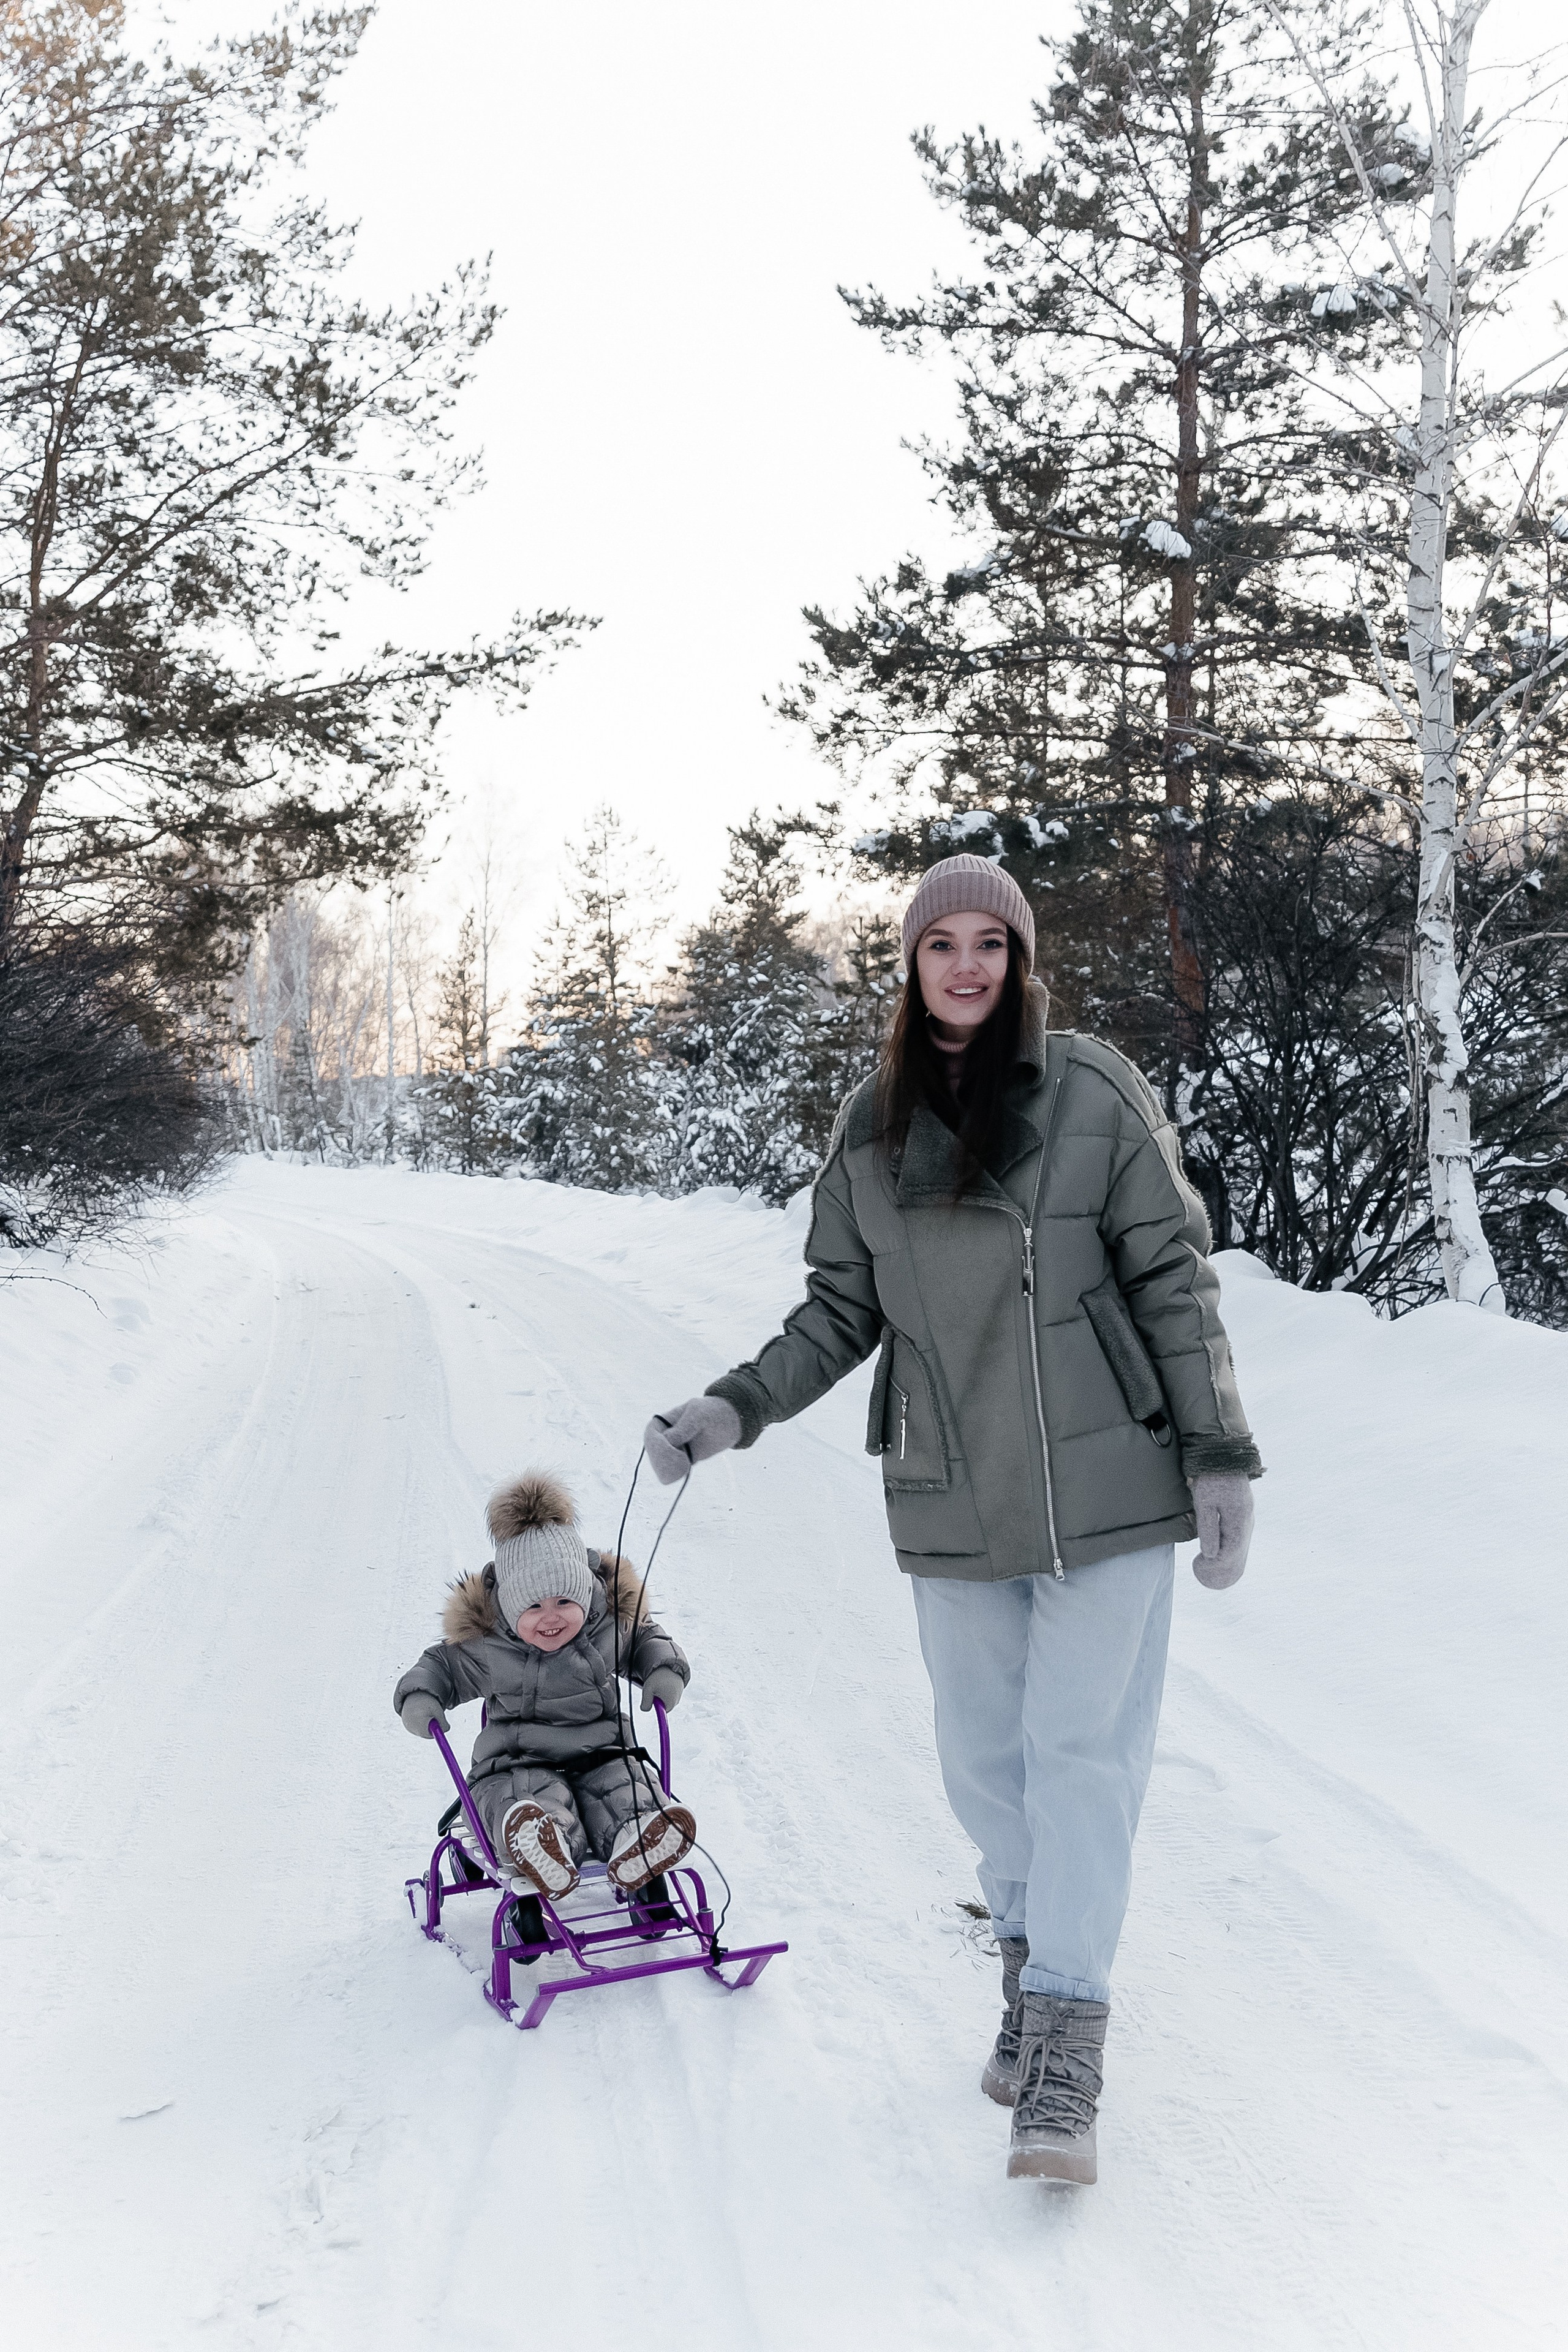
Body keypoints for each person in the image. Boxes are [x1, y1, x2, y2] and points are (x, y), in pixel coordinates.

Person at [641, 851, 1261, 2186]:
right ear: (910, 965)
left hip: (1109, 1486)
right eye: (942, 945)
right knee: (986, 1762)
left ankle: (1067, 2049)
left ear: (1020, 959)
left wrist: (1217, 1455)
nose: (967, 965)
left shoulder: (1092, 1089)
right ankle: (1028, 1976)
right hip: (948, 1484)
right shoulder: (872, 1129)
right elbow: (838, 1311)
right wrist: (732, 1408)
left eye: (991, 942)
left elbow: (1172, 1274)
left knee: (1078, 1755)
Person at [394, 1472, 695, 1898]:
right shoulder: (489, 1645)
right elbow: (441, 1665)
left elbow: (644, 1637)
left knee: (627, 1786)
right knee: (530, 1798)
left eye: (564, 1602)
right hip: (516, 1762)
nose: (550, 1617)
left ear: (586, 1598)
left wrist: (662, 1668)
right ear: (510, 1606)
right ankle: (542, 1845)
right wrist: (421, 1695)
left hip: (603, 1753)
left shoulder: (605, 1625)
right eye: (533, 1606)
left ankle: (640, 1834)